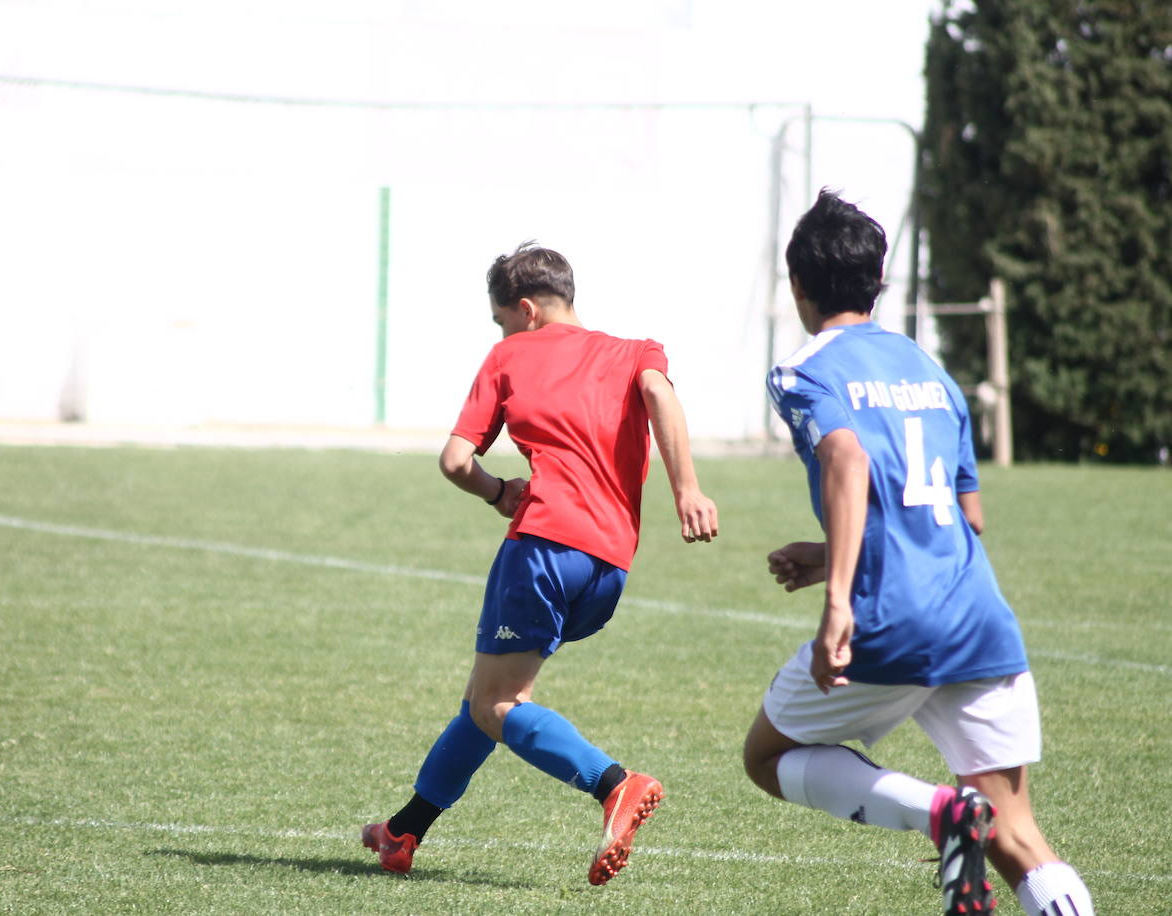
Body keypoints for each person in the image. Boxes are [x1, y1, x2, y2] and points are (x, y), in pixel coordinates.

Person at [743, 190, 1094, 916]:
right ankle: (971, 826)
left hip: (890, 619)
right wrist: (829, 550)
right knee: (1019, 835)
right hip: (976, 616)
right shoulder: (931, 373)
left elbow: (847, 461)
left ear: (798, 284)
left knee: (766, 758)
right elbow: (966, 516)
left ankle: (938, 815)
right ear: (878, 284)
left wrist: (839, 595)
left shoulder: (802, 370)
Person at [362, 242, 719, 885]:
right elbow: (661, 397)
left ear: (524, 310)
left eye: (502, 320)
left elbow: (453, 460)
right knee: (486, 698)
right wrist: (687, 489)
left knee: (498, 703)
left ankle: (614, 783)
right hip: (609, 566)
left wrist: (500, 492)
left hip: (543, 547)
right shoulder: (637, 350)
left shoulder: (510, 354)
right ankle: (404, 830)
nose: (502, 333)